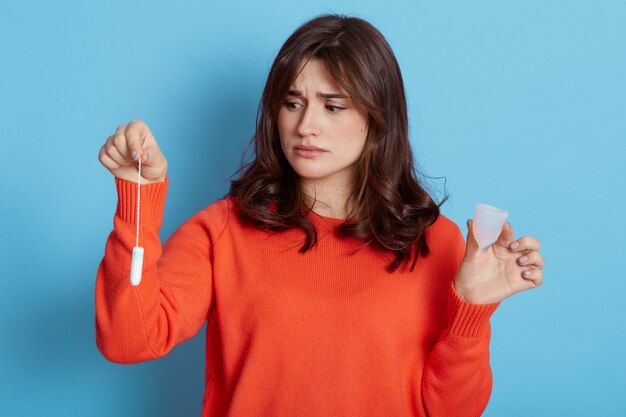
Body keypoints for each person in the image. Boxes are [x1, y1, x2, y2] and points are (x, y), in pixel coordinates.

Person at [96, 14, 544, 417]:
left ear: (377, 118)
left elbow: (454, 412)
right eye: (293, 103)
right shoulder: (222, 230)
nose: (306, 125)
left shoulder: (439, 243)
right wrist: (138, 198)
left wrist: (473, 311)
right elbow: (129, 339)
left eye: (333, 106)